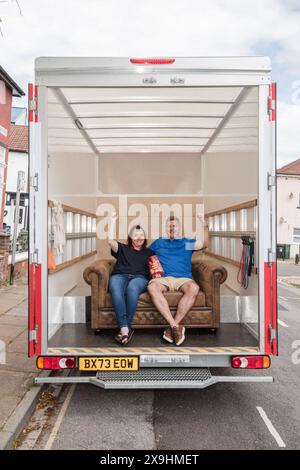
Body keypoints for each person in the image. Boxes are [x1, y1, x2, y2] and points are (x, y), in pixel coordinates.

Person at [148, 215, 209, 346]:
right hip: (163, 278)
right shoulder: (158, 242)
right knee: (152, 287)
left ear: (179, 228)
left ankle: (172, 328)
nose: (171, 228)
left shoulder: (186, 242)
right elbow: (143, 255)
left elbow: (204, 244)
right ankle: (175, 326)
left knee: (194, 288)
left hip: (183, 279)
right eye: (169, 226)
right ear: (166, 228)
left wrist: (204, 226)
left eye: (174, 226)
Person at [108, 215, 154, 346]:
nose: (139, 238)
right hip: (120, 275)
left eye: (141, 235)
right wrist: (112, 222)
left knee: (132, 288)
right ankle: (125, 329)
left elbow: (156, 268)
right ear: (130, 238)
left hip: (140, 278)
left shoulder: (150, 253)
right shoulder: (122, 248)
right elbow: (110, 241)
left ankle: (124, 329)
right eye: (135, 235)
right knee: (115, 288)